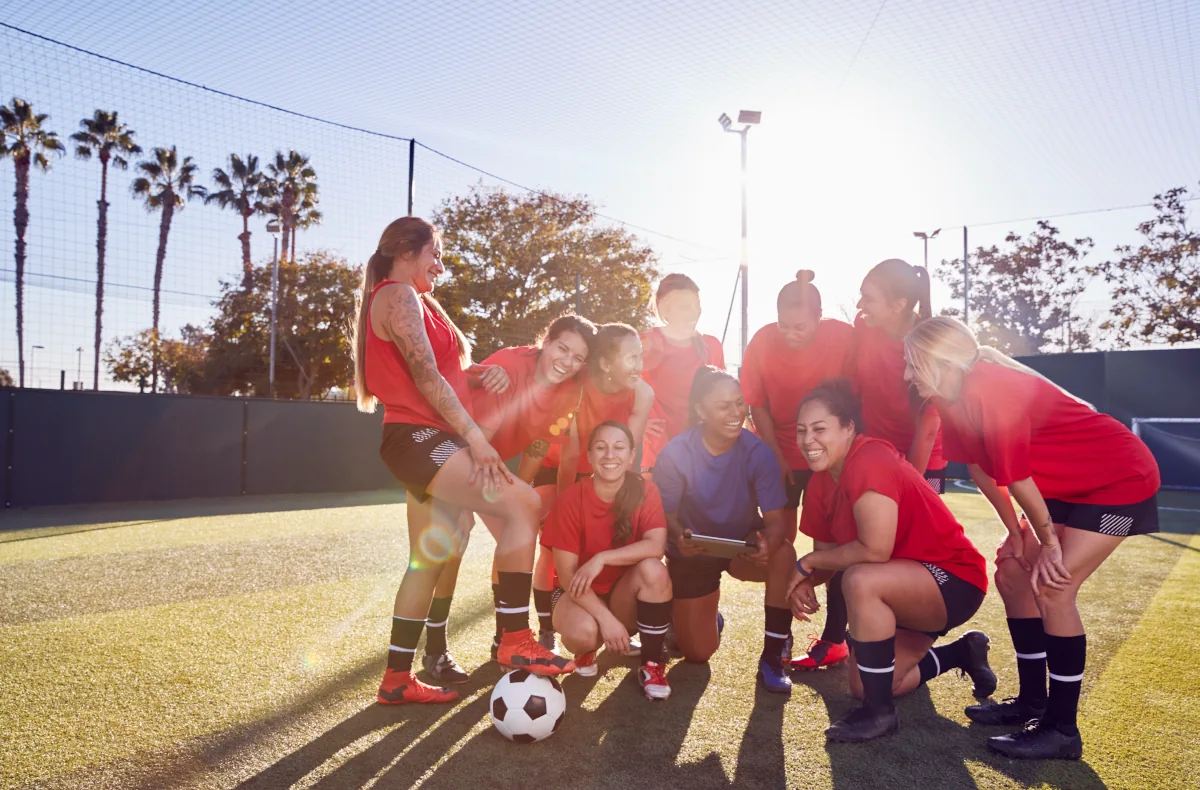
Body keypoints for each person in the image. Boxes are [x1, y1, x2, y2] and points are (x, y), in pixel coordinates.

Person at [904, 317, 1161, 760]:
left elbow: (1018, 475)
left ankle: (1061, 730)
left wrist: (1050, 544)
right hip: (1063, 488)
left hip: (1121, 480)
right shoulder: (949, 394)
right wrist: (1014, 534)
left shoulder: (989, 386)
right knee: (1013, 572)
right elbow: (984, 469)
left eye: (912, 364)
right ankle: (1031, 702)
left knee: (1053, 586)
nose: (908, 375)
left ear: (939, 361)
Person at [353, 216, 574, 706]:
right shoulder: (397, 294)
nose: (441, 263)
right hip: (420, 438)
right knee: (522, 505)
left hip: (417, 439)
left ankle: (396, 679)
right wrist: (476, 437)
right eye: (436, 252)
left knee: (428, 559)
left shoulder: (412, 300)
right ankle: (515, 639)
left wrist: (477, 378)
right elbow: (425, 375)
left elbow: (440, 373)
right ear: (407, 250)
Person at [779, 378, 995, 742]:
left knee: (861, 580)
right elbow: (831, 560)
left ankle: (880, 717)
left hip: (951, 581)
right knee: (869, 684)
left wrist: (809, 561)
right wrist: (806, 580)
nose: (807, 440)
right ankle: (962, 653)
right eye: (801, 431)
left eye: (819, 429)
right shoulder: (819, 483)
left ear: (849, 428)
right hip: (900, 591)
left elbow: (874, 551)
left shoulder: (870, 457)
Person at [792, 258, 948, 673]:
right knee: (852, 546)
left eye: (869, 297)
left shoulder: (927, 342)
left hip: (915, 462)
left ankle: (913, 643)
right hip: (867, 454)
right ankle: (835, 638)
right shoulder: (865, 328)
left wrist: (907, 480)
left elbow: (929, 421)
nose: (860, 304)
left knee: (898, 555)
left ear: (899, 304)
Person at [426, 314, 595, 679]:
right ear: (545, 342)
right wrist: (463, 503)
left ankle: (506, 638)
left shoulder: (571, 390)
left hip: (487, 462)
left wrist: (521, 490)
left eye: (578, 357)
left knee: (514, 536)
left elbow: (538, 443)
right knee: (451, 545)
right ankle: (435, 650)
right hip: (444, 450)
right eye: (562, 348)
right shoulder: (508, 364)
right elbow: (470, 432)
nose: (567, 362)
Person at [740, 270, 855, 672]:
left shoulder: (842, 336)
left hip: (830, 455)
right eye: (783, 324)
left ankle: (836, 637)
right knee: (782, 544)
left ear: (820, 315)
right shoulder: (762, 340)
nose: (790, 333)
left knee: (835, 546)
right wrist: (776, 456)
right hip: (783, 456)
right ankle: (781, 631)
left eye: (800, 326)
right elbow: (757, 405)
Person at [652, 366, 794, 692]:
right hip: (694, 552)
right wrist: (678, 538)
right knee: (697, 653)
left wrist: (768, 544)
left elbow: (775, 521)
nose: (735, 413)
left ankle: (773, 656)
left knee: (783, 553)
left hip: (740, 546)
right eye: (723, 406)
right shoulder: (676, 452)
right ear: (701, 411)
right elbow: (666, 515)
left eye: (739, 403)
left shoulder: (758, 452)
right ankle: (701, 617)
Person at [541, 421, 674, 700]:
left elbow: (656, 545)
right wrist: (606, 620)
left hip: (625, 595)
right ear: (589, 456)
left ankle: (652, 664)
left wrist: (602, 558)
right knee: (583, 634)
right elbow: (566, 576)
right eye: (600, 448)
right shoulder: (570, 500)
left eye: (618, 447)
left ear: (631, 454)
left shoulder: (646, 491)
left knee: (654, 570)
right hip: (581, 594)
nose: (609, 455)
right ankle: (587, 652)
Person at [537, 323, 655, 490]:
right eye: (631, 358)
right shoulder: (576, 384)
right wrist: (563, 506)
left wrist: (616, 501)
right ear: (605, 365)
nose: (639, 367)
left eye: (640, 357)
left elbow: (627, 458)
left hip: (602, 472)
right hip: (555, 470)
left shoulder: (643, 394)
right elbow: (569, 458)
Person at [640, 274, 726, 471]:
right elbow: (620, 389)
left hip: (703, 457)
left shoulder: (711, 346)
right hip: (657, 456)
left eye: (697, 305)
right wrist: (637, 418)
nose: (694, 312)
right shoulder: (643, 343)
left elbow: (724, 398)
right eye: (684, 306)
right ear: (665, 309)